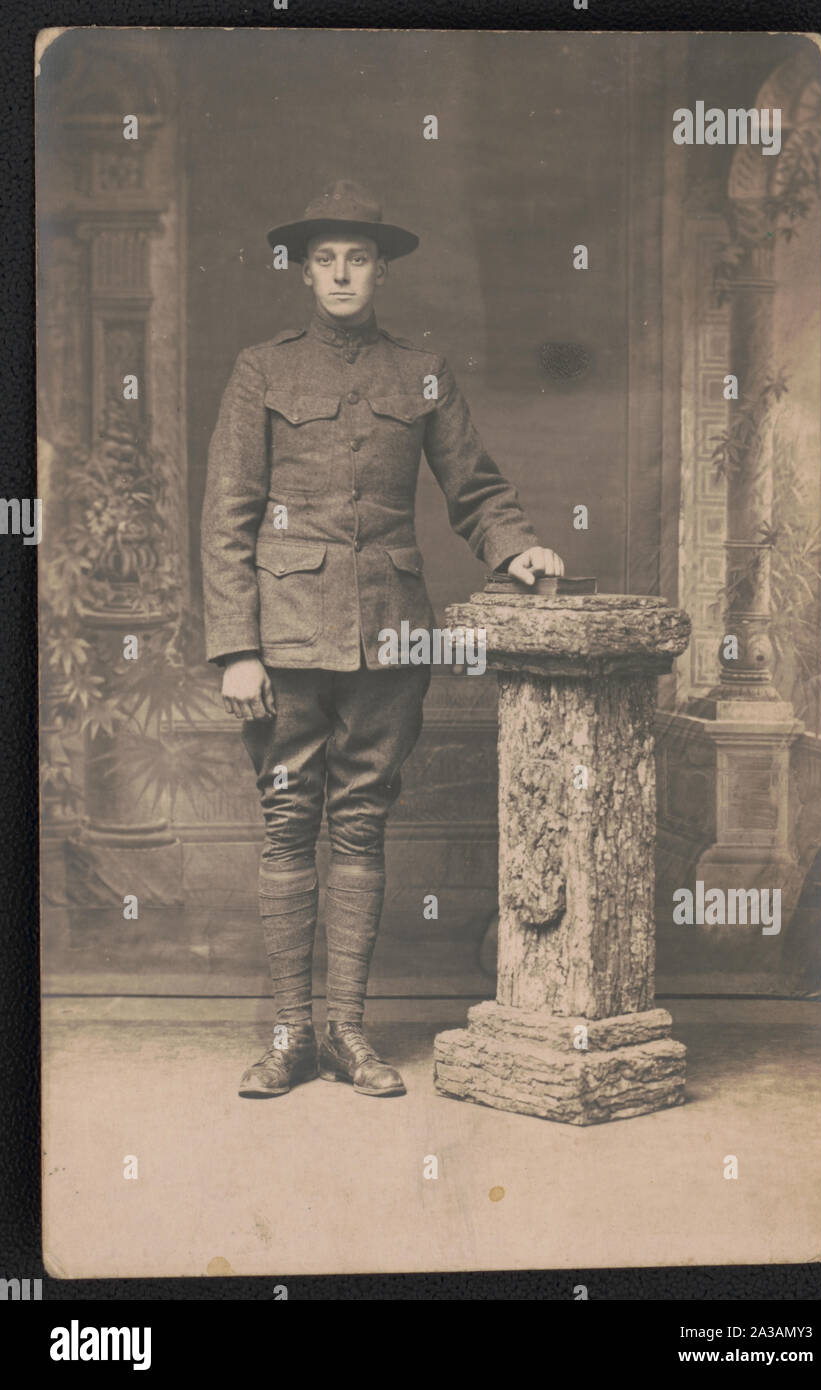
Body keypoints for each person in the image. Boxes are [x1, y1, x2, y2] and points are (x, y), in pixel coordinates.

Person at [201, 180, 564, 1100]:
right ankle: (288, 1039)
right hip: (281, 641)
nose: (339, 274)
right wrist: (234, 647)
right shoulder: (263, 370)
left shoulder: (424, 372)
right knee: (290, 821)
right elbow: (226, 518)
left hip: (394, 640)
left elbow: (474, 489)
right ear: (301, 271)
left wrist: (516, 550)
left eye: (356, 258)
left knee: (361, 821)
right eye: (323, 259)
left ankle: (348, 1037)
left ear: (383, 269)